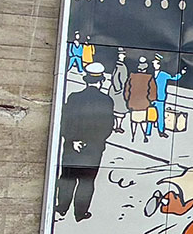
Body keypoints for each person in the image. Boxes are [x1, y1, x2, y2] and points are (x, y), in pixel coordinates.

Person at [55, 63, 114, 222]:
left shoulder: (74, 97)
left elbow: (65, 121)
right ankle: (80, 213)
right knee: (86, 181)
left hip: (72, 146)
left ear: (85, 80)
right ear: (101, 81)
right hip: (93, 148)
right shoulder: (106, 101)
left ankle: (62, 207)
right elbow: (107, 126)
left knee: (67, 177)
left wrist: (73, 139)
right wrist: (91, 142)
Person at [148, 54, 184, 139]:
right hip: (151, 98)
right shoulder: (151, 74)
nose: (154, 64)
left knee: (161, 116)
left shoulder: (163, 74)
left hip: (160, 98)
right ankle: (148, 131)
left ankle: (161, 131)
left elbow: (174, 78)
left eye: (155, 63)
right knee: (150, 115)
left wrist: (181, 73)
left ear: (159, 64)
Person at [126, 57, 157, 144]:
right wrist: (151, 100)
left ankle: (133, 136)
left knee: (134, 121)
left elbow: (127, 90)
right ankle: (144, 136)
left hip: (133, 103)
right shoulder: (149, 77)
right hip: (144, 104)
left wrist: (128, 100)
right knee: (144, 121)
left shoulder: (132, 76)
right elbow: (152, 92)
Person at [108, 47, 129, 134]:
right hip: (118, 92)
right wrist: (119, 89)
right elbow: (116, 78)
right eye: (122, 54)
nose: (123, 56)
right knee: (118, 110)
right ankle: (117, 126)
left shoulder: (120, 65)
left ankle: (117, 126)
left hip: (117, 90)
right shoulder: (120, 66)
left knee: (118, 110)